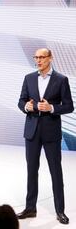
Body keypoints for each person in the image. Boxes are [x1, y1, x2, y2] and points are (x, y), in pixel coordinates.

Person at [17, 48, 74, 225]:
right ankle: (30, 208)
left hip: (51, 132)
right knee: (31, 171)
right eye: (36, 57)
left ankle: (60, 211)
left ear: (50, 58)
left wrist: (51, 108)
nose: (38, 60)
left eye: (42, 57)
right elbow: (21, 101)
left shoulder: (61, 80)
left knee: (55, 172)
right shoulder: (28, 78)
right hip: (32, 131)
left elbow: (69, 106)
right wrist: (26, 106)